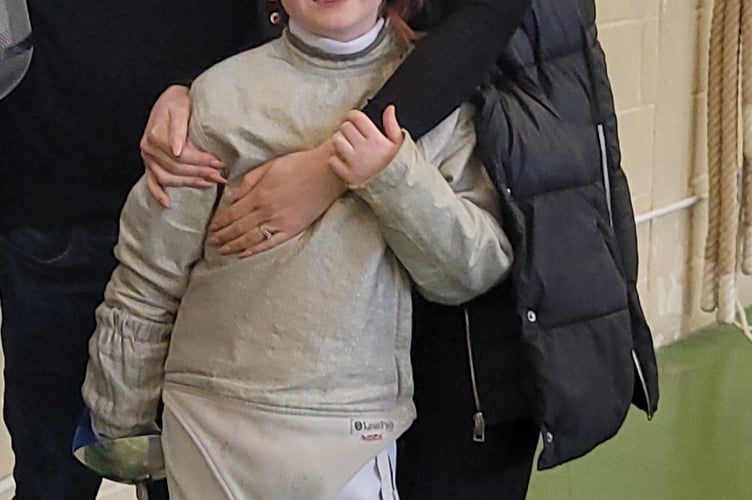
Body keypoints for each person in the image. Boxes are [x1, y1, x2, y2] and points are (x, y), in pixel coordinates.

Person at [0, 1, 529, 499]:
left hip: (352, 434)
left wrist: (392, 177)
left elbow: (471, 267)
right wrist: (123, 422)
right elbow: (149, 279)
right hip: (207, 424)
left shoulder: (434, 102)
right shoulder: (218, 100)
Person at [144, 1, 659, 499]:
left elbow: (488, 15)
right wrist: (193, 85)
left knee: (462, 449)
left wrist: (330, 167)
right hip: (295, 364)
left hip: (481, 248)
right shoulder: (234, 94)